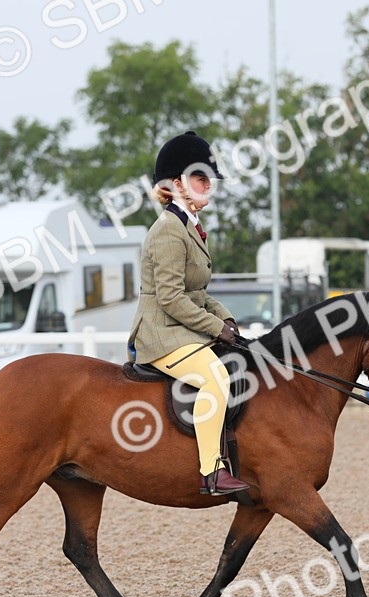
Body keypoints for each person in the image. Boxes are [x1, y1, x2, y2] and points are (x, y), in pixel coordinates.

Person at [127, 131, 251, 496]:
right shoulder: (168, 231)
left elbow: (197, 292)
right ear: (177, 184)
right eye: (200, 178)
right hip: (161, 332)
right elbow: (171, 298)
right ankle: (211, 470)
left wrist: (225, 318)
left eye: (209, 178)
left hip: (181, 326)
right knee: (215, 378)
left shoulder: (189, 227)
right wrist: (216, 328)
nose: (208, 184)